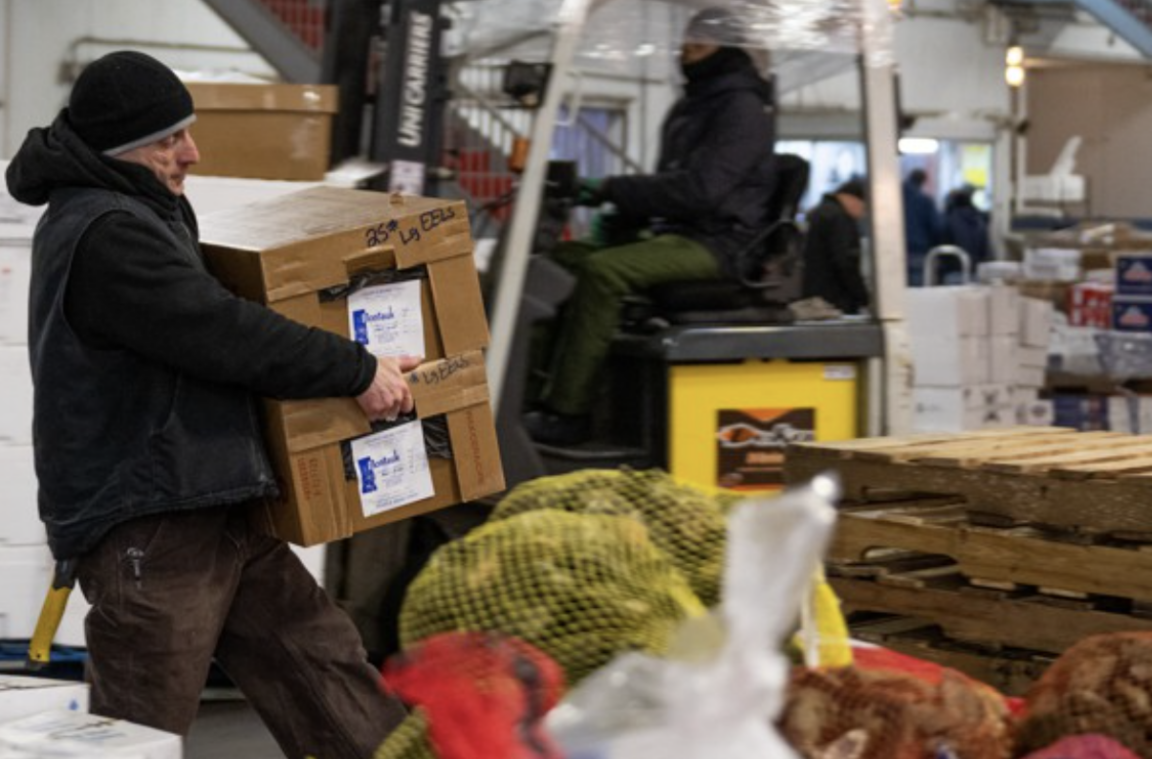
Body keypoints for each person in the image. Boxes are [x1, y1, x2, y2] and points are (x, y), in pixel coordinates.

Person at [5, 51, 411, 758]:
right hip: (152, 522)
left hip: (216, 501)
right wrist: (355, 368)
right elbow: (221, 332)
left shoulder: (142, 209)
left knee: (326, 670)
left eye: (186, 132)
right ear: (120, 146)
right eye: (170, 139)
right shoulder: (106, 232)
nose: (192, 152)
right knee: (138, 733)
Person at [524, 7, 778, 446]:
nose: (686, 51)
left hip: (721, 244)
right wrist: (623, 213)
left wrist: (612, 189)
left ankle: (569, 413)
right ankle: (525, 396)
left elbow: (701, 191)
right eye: (686, 41)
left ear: (727, 48)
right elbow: (671, 184)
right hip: (679, 232)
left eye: (699, 43)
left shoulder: (742, 109)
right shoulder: (692, 105)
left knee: (605, 272)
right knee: (561, 261)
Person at [800, 178, 870, 315]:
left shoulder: (822, 211)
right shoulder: (839, 219)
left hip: (817, 297)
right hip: (835, 300)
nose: (863, 214)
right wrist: (862, 297)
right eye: (864, 208)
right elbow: (846, 262)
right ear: (853, 199)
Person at [902, 168, 943, 286]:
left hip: (894, 252)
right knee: (917, 289)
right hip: (918, 251)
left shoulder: (894, 198)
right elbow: (936, 227)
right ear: (923, 182)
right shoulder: (925, 201)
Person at [942, 183, 992, 275]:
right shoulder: (979, 220)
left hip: (953, 272)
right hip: (976, 272)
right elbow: (984, 250)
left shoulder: (949, 220)